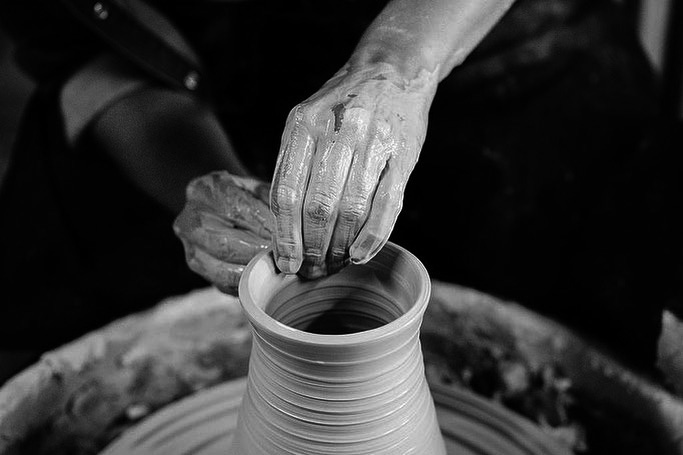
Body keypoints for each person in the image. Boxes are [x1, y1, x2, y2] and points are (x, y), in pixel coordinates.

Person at [0, 0, 679, 381]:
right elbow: (90, 47)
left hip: (505, 50)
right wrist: (202, 181)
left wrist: (399, 58)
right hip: (220, 77)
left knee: (599, 322)